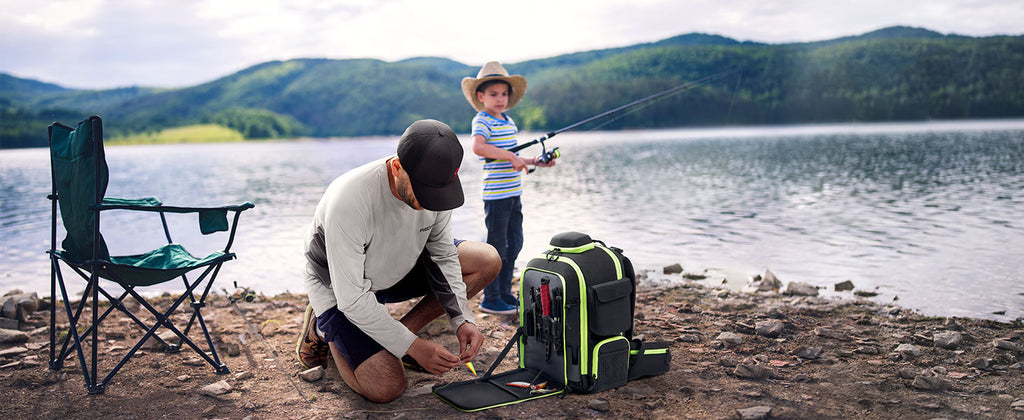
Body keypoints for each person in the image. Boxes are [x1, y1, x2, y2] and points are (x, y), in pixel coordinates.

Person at [295, 119, 501, 403]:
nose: (431, 202)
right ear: (396, 168)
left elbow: (443, 255)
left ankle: (396, 334)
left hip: (398, 265)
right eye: (423, 193)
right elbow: (353, 298)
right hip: (341, 287)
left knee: (486, 260)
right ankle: (323, 327)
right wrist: (414, 347)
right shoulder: (349, 200)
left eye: (437, 193)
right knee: (386, 387)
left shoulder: (436, 185)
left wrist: (462, 318)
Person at [461, 62, 557, 315]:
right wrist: (510, 156)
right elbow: (479, 148)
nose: (500, 99)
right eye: (493, 94)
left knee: (515, 243)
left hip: (514, 194)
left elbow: (512, 156)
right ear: (481, 97)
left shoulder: (508, 121)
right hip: (496, 196)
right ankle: (490, 298)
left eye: (504, 94)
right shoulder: (482, 120)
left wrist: (535, 161)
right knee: (497, 247)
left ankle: (504, 293)